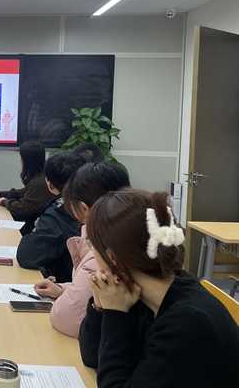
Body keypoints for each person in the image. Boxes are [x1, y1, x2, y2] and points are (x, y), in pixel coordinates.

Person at [79, 189, 239, 387]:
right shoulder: (148, 290)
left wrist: (115, 314)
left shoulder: (187, 324)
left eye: (91, 243)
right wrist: (100, 306)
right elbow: (92, 357)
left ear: (112, 257)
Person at [33, 161, 130, 338]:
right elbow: (86, 290)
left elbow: (65, 317)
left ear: (84, 209)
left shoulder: (103, 252)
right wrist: (63, 289)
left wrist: (66, 296)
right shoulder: (128, 236)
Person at [15, 151, 86, 282]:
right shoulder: (101, 204)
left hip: (70, 283)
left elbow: (26, 256)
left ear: (50, 184)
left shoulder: (59, 214)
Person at [0, 141, 55, 234]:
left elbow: (20, 211)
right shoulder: (42, 176)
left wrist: (3, 201)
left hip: (33, 232)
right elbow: (24, 192)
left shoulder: (38, 183)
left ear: (25, 160)